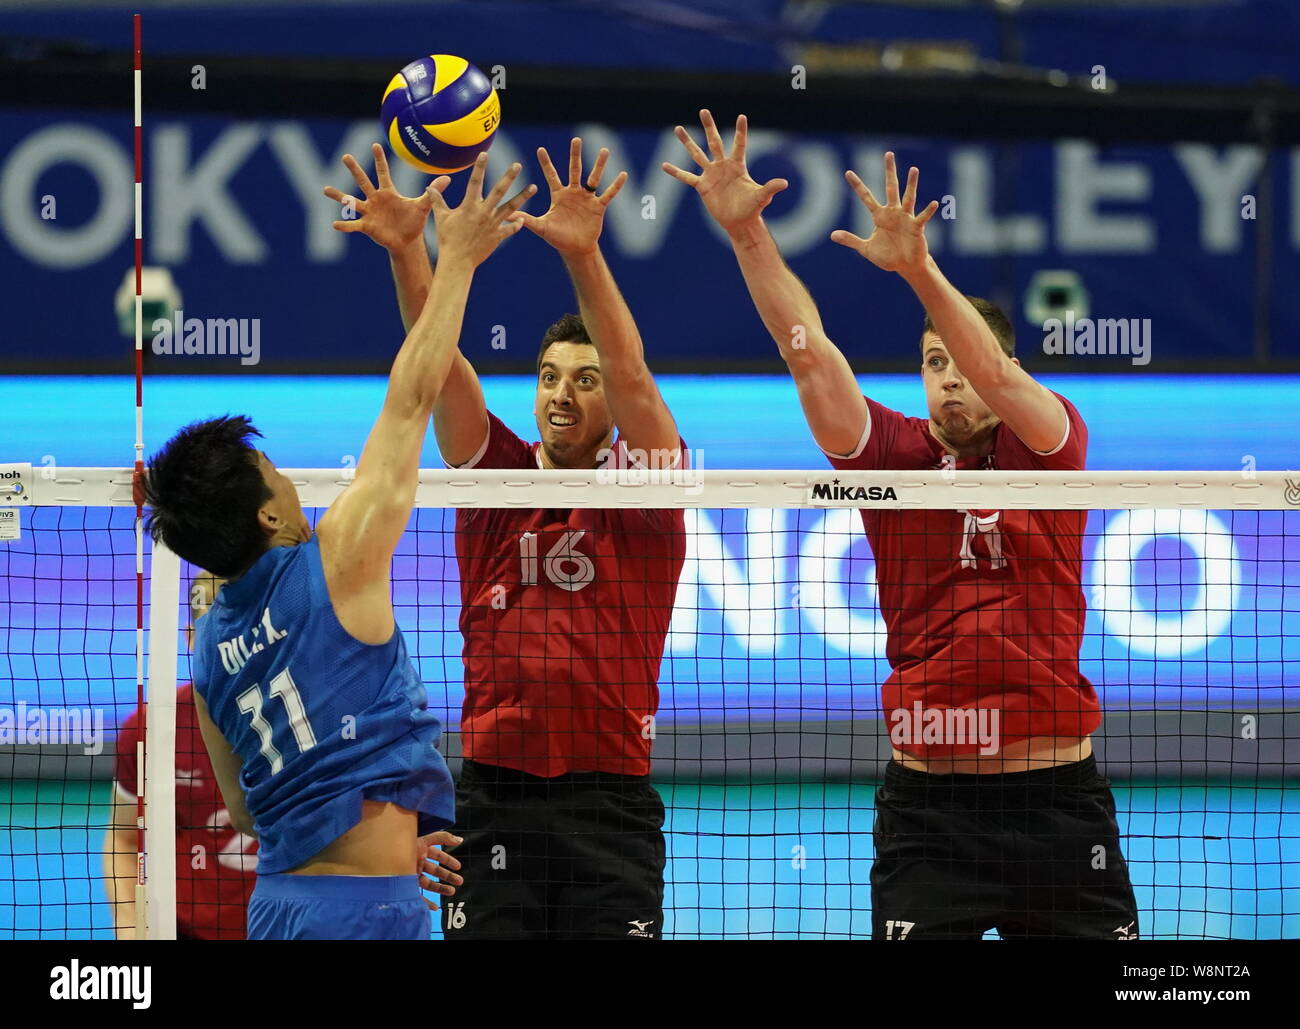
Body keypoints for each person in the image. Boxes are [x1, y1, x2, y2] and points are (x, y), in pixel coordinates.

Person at [668, 110, 1139, 941]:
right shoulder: (893, 454)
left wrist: (919, 268)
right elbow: (808, 352)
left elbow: (993, 368)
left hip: (1056, 808)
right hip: (930, 813)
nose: (951, 381)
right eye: (932, 364)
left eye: (962, 362)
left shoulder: (1052, 443)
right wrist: (746, 235)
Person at [140, 153, 531, 939]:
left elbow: (249, 805)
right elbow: (414, 393)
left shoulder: (208, 644)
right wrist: (450, 258)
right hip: (368, 915)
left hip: (281, 909)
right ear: (266, 518)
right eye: (273, 473)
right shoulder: (338, 558)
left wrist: (376, 817)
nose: (288, 480)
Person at [325, 139, 686, 940]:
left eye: (583, 381)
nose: (562, 393)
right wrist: (406, 251)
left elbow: (633, 373)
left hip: (611, 804)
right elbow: (437, 364)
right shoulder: (493, 478)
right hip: (491, 799)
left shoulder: (650, 499)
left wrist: (585, 256)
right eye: (550, 376)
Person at [104, 573, 257, 940]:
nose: (230, 648)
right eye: (216, 631)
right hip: (185, 930)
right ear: (191, 637)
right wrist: (129, 922)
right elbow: (123, 839)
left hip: (290, 927)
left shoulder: (310, 722)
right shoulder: (149, 727)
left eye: (244, 633)